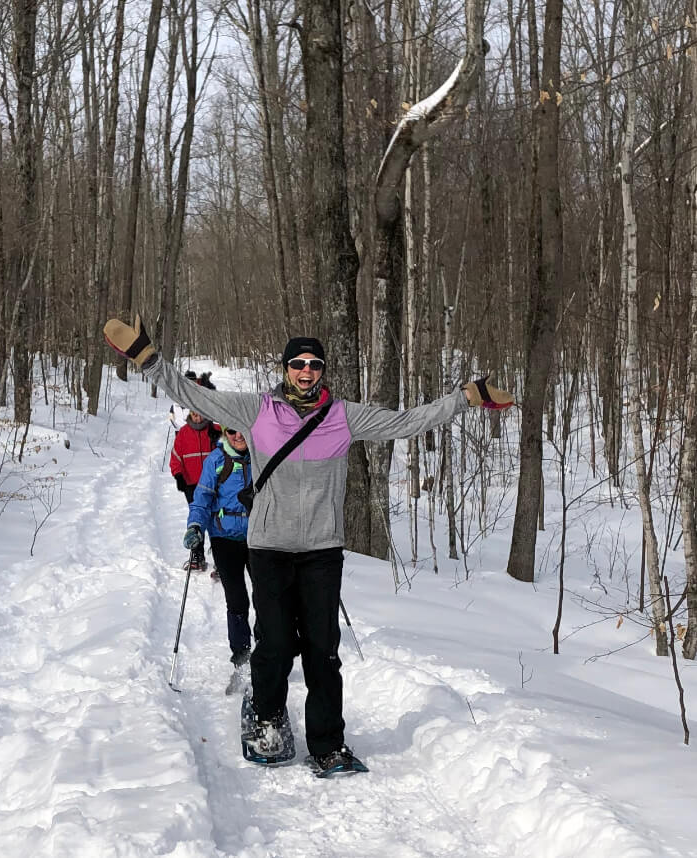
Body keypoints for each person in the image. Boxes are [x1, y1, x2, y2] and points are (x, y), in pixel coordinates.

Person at [104, 315, 513, 775]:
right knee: (275, 643)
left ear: (322, 371)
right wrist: (148, 359)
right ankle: (266, 718)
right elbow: (193, 395)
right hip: (270, 549)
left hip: (321, 552)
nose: (306, 371)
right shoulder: (254, 410)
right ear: (285, 369)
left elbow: (407, 422)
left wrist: (466, 397)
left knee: (323, 651)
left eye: (315, 364)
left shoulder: (342, 417)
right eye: (298, 363)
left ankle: (327, 743)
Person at [183, 426, 253, 694]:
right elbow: (201, 500)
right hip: (224, 539)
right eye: (233, 431)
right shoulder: (216, 460)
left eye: (243, 429)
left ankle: (268, 656)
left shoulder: (262, 456)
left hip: (259, 537)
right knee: (237, 600)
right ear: (225, 432)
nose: (239, 436)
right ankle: (242, 660)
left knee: (268, 598)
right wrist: (195, 527)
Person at [169, 372, 221, 506]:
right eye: (194, 414)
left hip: (213, 483)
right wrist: (178, 475)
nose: (197, 418)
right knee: (197, 515)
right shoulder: (183, 433)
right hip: (191, 484)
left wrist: (219, 440)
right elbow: (176, 457)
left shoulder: (215, 430)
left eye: (200, 414)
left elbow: (233, 445)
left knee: (215, 518)